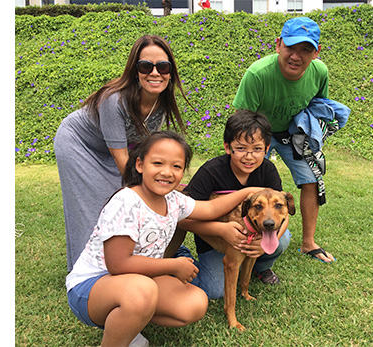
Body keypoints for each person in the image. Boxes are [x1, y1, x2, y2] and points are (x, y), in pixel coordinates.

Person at [65, 131, 265, 347]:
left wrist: (248, 192)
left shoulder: (173, 200)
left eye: (176, 167)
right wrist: (173, 265)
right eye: (158, 163)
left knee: (195, 302)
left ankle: (128, 322)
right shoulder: (126, 202)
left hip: (138, 280)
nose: (167, 172)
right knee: (142, 291)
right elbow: (118, 264)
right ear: (140, 165)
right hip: (91, 286)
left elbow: (211, 208)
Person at [54, 35, 191, 272]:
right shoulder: (114, 101)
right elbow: (126, 166)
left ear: (171, 72)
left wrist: (165, 178)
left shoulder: (160, 101)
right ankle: (84, 275)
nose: (155, 73)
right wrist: (156, 185)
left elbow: (147, 151)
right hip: (78, 144)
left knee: (120, 200)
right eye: (146, 66)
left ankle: (124, 260)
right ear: (135, 70)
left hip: (109, 149)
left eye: (163, 66)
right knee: (94, 206)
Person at [232, 17, 336, 263]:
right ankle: (241, 235)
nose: (296, 56)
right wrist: (250, 151)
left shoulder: (320, 72)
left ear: (316, 52)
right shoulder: (257, 74)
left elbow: (319, 105)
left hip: (293, 135)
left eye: (305, 50)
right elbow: (242, 121)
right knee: (247, 183)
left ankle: (308, 243)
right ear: (278, 44)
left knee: (312, 179)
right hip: (258, 136)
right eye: (290, 47)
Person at [177, 110, 290, 299]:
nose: (249, 156)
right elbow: (180, 217)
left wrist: (265, 244)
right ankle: (180, 256)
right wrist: (221, 230)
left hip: (250, 233)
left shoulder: (268, 170)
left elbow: (281, 213)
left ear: (266, 149)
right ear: (228, 147)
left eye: (256, 149)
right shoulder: (211, 171)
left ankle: (260, 268)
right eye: (241, 148)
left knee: (282, 237)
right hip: (213, 240)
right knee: (213, 291)